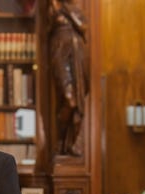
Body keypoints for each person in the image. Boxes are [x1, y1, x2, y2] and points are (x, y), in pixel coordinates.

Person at [49, 0, 90, 157]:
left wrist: (66, 11)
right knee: (69, 100)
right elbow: (48, 26)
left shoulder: (74, 10)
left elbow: (82, 26)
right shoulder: (53, 9)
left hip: (76, 53)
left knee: (76, 103)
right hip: (60, 51)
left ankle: (69, 144)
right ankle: (60, 141)